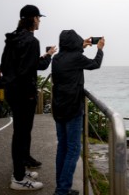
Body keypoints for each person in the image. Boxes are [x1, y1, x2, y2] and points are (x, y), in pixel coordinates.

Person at [0, 5, 57, 190]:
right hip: (24, 95)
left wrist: (42, 57)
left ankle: (20, 170)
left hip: (12, 92)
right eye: (39, 18)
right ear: (33, 19)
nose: (40, 21)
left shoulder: (13, 38)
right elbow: (30, 70)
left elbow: (9, 65)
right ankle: (18, 179)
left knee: (21, 134)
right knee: (21, 135)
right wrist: (47, 57)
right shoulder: (32, 41)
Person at [52, 30, 104, 195]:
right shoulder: (76, 58)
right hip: (73, 108)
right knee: (73, 149)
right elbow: (95, 64)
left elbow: (71, 55)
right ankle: (62, 190)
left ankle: (61, 187)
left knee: (63, 148)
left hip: (58, 108)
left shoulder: (56, 58)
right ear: (74, 42)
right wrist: (100, 49)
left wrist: (81, 46)